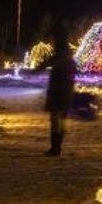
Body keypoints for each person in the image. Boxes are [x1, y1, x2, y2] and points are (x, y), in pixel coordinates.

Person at [43, 25, 77, 156]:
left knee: (56, 120)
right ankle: (56, 147)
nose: (51, 42)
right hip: (64, 91)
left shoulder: (61, 56)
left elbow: (46, 64)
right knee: (60, 120)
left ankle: (55, 148)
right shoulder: (65, 55)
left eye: (53, 39)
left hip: (59, 92)